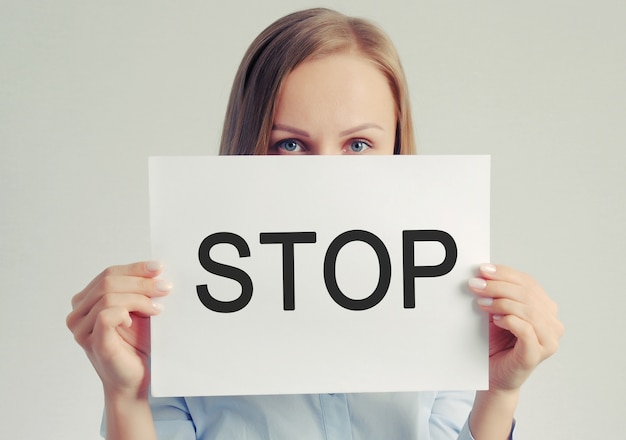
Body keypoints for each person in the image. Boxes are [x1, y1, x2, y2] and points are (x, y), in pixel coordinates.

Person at [66, 8, 563, 440]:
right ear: (252, 144)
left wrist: (500, 392)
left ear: (395, 146)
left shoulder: (443, 294)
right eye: (291, 144)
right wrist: (125, 394)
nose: (327, 174)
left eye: (359, 145)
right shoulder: (182, 304)